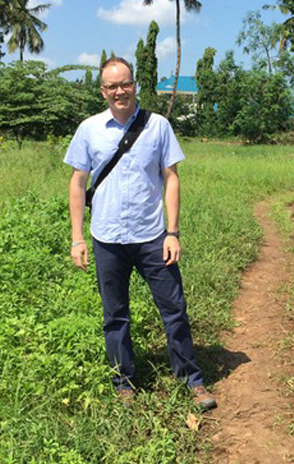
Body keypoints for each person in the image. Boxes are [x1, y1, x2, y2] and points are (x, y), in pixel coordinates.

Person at [64, 56, 216, 410]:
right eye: (112, 86)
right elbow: (77, 182)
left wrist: (172, 232)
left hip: (152, 236)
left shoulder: (158, 126)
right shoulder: (89, 129)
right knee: (115, 315)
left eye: (125, 84)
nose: (120, 91)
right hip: (107, 239)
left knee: (174, 309)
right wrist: (77, 237)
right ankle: (124, 383)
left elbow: (171, 177)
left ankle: (191, 380)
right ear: (103, 91)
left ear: (135, 85)